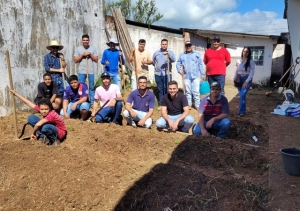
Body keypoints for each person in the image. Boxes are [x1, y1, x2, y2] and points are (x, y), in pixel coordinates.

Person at [176, 40, 205, 109]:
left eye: (189, 45)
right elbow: (178, 63)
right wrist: (180, 71)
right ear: (185, 46)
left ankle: (197, 105)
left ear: (191, 46)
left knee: (196, 91)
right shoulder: (182, 55)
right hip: (187, 76)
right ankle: (189, 104)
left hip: (196, 76)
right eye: (187, 45)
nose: (188, 47)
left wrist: (202, 74)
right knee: (188, 91)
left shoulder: (196, 54)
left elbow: (200, 64)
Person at [74, 34, 98, 105]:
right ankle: (81, 101)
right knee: (81, 87)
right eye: (84, 40)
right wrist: (82, 55)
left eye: (87, 40)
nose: (85, 41)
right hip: (81, 71)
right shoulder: (78, 49)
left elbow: (96, 60)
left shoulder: (93, 49)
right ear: (82, 41)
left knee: (91, 87)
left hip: (90, 71)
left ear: (89, 40)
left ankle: (92, 103)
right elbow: (75, 60)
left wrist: (90, 54)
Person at [152, 39, 176, 110]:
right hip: (158, 74)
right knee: (160, 89)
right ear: (161, 44)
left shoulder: (170, 52)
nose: (164, 45)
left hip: (167, 73)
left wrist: (168, 55)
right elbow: (154, 62)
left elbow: (174, 60)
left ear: (167, 45)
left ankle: (168, 103)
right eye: (163, 44)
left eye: (165, 44)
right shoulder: (156, 53)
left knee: (168, 88)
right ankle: (161, 103)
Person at [234, 47, 255, 116]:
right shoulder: (238, 61)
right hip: (239, 79)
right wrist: (234, 79)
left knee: (242, 94)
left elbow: (252, 72)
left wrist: (246, 81)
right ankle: (242, 111)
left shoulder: (251, 61)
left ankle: (241, 111)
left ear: (249, 53)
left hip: (246, 78)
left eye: (247, 52)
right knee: (241, 95)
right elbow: (236, 71)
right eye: (244, 51)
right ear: (242, 52)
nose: (245, 53)